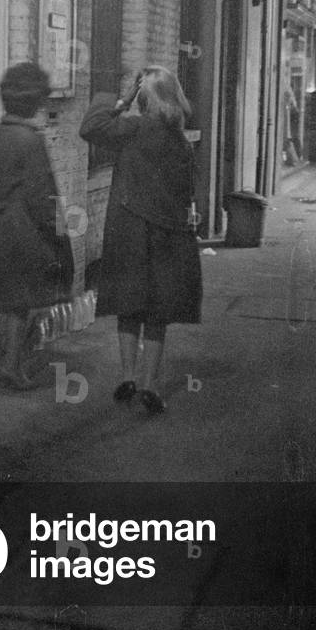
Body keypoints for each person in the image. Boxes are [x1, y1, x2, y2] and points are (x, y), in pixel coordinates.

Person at [79, 66, 203, 414]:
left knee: (129, 306)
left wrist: (121, 100)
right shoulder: (180, 143)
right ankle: (149, 383)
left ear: (145, 99)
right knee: (157, 311)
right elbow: (187, 195)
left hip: (129, 229)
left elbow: (89, 127)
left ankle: (128, 376)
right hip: (166, 234)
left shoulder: (133, 129)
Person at [0, 63, 74, 389]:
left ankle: (1, 359)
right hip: (19, 232)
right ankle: (12, 366)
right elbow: (43, 196)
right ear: (35, 100)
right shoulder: (30, 140)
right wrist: (58, 233)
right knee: (20, 304)